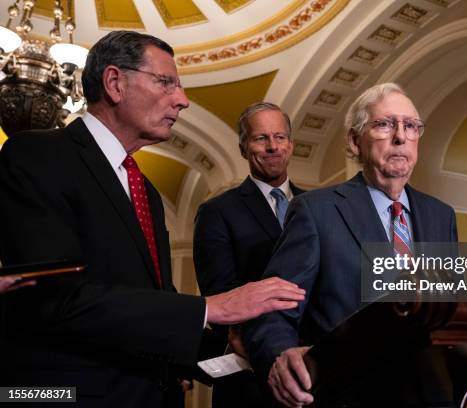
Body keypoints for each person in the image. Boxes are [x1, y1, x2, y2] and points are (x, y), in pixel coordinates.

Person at [0, 30, 305, 407]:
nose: (183, 101)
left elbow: (154, 304)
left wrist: (246, 352)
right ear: (114, 82)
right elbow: (53, 302)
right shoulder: (37, 156)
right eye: (166, 83)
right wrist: (212, 307)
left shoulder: (145, 191)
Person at [243, 83, 458, 407]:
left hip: (434, 396)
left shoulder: (441, 215)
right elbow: (274, 311)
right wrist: (281, 357)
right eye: (385, 124)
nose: (400, 137)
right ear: (355, 141)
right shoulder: (317, 211)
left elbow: (449, 311)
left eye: (410, 126)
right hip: (351, 396)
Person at [193, 102, 305, 407]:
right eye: (261, 138)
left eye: (280, 137)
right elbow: (221, 296)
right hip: (251, 377)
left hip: (316, 368)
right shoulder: (217, 212)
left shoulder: (319, 205)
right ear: (244, 148)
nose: (272, 147)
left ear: (291, 145)